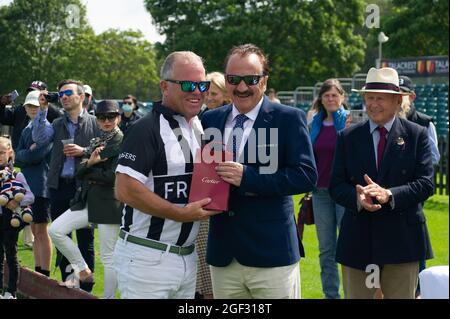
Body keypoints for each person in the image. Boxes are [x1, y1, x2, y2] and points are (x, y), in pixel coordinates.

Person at [201, 44, 317, 299]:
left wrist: (248, 178)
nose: (241, 87)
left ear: (264, 81)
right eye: (233, 79)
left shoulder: (288, 118)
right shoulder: (209, 120)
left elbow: (306, 176)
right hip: (224, 253)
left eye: (251, 79)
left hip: (272, 253)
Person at [113, 51, 219, 299]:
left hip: (187, 256)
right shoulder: (146, 128)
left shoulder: (197, 126)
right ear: (164, 86)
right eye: (188, 84)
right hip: (147, 257)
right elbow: (124, 189)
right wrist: (179, 214)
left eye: (202, 85)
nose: (197, 91)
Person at [330, 67, 434, 299]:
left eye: (381, 98)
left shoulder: (417, 135)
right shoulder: (347, 137)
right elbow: (336, 186)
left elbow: (426, 184)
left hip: (403, 243)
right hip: (358, 242)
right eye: (370, 98)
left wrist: (390, 194)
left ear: (398, 100)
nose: (374, 104)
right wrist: (357, 198)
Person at [49, 100, 123, 298]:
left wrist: (88, 167)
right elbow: (80, 169)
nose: (107, 121)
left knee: (108, 257)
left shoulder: (120, 140)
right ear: (97, 120)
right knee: (55, 230)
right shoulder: (98, 139)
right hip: (88, 199)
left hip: (110, 201)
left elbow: (113, 177)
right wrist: (91, 163)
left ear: (119, 118)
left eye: (111, 116)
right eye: (102, 117)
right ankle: (82, 269)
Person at [33, 79, 99, 292]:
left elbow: (107, 151)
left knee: (85, 238)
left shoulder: (96, 122)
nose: (63, 97)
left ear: (81, 96)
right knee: (62, 237)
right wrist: (42, 110)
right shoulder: (57, 123)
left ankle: (86, 288)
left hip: (85, 187)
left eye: (68, 92)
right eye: (60, 94)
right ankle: (70, 282)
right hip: (58, 187)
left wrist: (84, 151)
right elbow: (39, 137)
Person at [398, 75, 440, 297]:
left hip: (414, 188)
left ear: (411, 97)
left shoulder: (424, 122)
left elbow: (433, 156)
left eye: (403, 93)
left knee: (415, 233)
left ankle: (420, 287)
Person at [309, 79, 350, 299]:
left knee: (347, 247)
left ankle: (353, 292)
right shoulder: (314, 123)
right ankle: (331, 296)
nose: (331, 99)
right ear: (321, 99)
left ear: (342, 97)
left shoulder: (349, 122)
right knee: (326, 250)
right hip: (320, 193)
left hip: (343, 193)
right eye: (327, 96)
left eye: (335, 95)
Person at [15, 91, 53, 278]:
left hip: (41, 185)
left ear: (42, 108)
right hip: (29, 185)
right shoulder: (27, 128)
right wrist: (24, 154)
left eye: (35, 106)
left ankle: (43, 272)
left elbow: (35, 155)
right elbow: (19, 153)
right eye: (29, 106)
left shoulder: (46, 128)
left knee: (41, 230)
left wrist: (24, 154)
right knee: (36, 229)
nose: (32, 109)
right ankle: (39, 272)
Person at [0, 136, 35, 299]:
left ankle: (11, 292)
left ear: (10, 153)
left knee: (11, 254)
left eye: (1, 152)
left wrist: (15, 201)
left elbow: (30, 196)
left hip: (10, 222)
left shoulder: (16, 175)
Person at [0, 81, 62, 150]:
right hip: (19, 155)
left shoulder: (52, 112)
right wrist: (1, 104)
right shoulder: (20, 109)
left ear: (45, 94)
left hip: (42, 156)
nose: (32, 94)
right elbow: (3, 119)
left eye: (35, 92)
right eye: (30, 92)